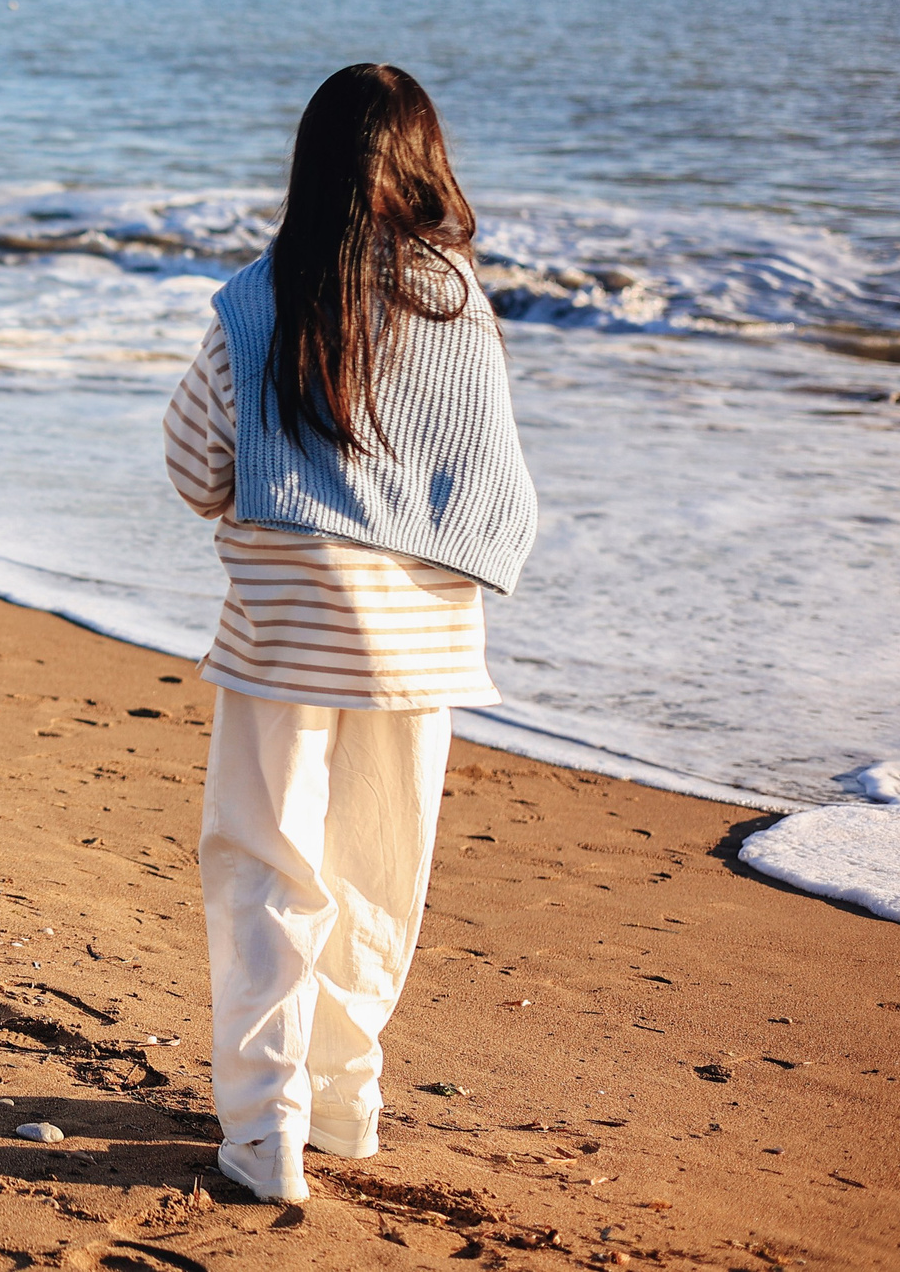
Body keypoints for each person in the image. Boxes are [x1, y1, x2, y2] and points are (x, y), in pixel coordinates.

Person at [162, 63, 537, 1202]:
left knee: (265, 867)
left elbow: (194, 467)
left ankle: (264, 1134)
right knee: (378, 871)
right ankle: (345, 1105)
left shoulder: (256, 299)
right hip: (420, 639)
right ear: (426, 163)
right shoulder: (457, 300)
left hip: (289, 626)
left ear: (308, 164)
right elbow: (492, 476)